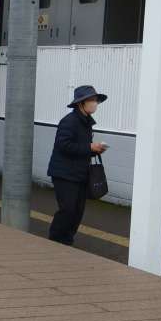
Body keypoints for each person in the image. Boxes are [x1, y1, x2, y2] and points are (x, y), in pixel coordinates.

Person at [47, 84, 109, 246]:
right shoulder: (69, 121)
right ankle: (55, 241)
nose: (95, 103)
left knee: (77, 211)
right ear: (81, 103)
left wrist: (95, 150)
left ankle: (67, 241)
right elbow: (63, 145)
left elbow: (80, 148)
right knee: (67, 210)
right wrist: (90, 147)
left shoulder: (86, 122)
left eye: (96, 100)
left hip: (79, 174)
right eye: (92, 100)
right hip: (64, 174)